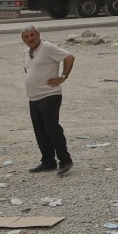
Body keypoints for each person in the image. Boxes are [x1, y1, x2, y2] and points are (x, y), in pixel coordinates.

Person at [21, 26, 75, 176]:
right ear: (23, 39)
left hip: (50, 95)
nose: (30, 39)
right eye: (26, 37)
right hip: (34, 97)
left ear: (38, 35)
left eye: (32, 35)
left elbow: (69, 57)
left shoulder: (48, 47)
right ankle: (48, 162)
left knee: (52, 129)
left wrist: (62, 77)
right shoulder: (26, 52)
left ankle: (65, 161)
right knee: (40, 131)